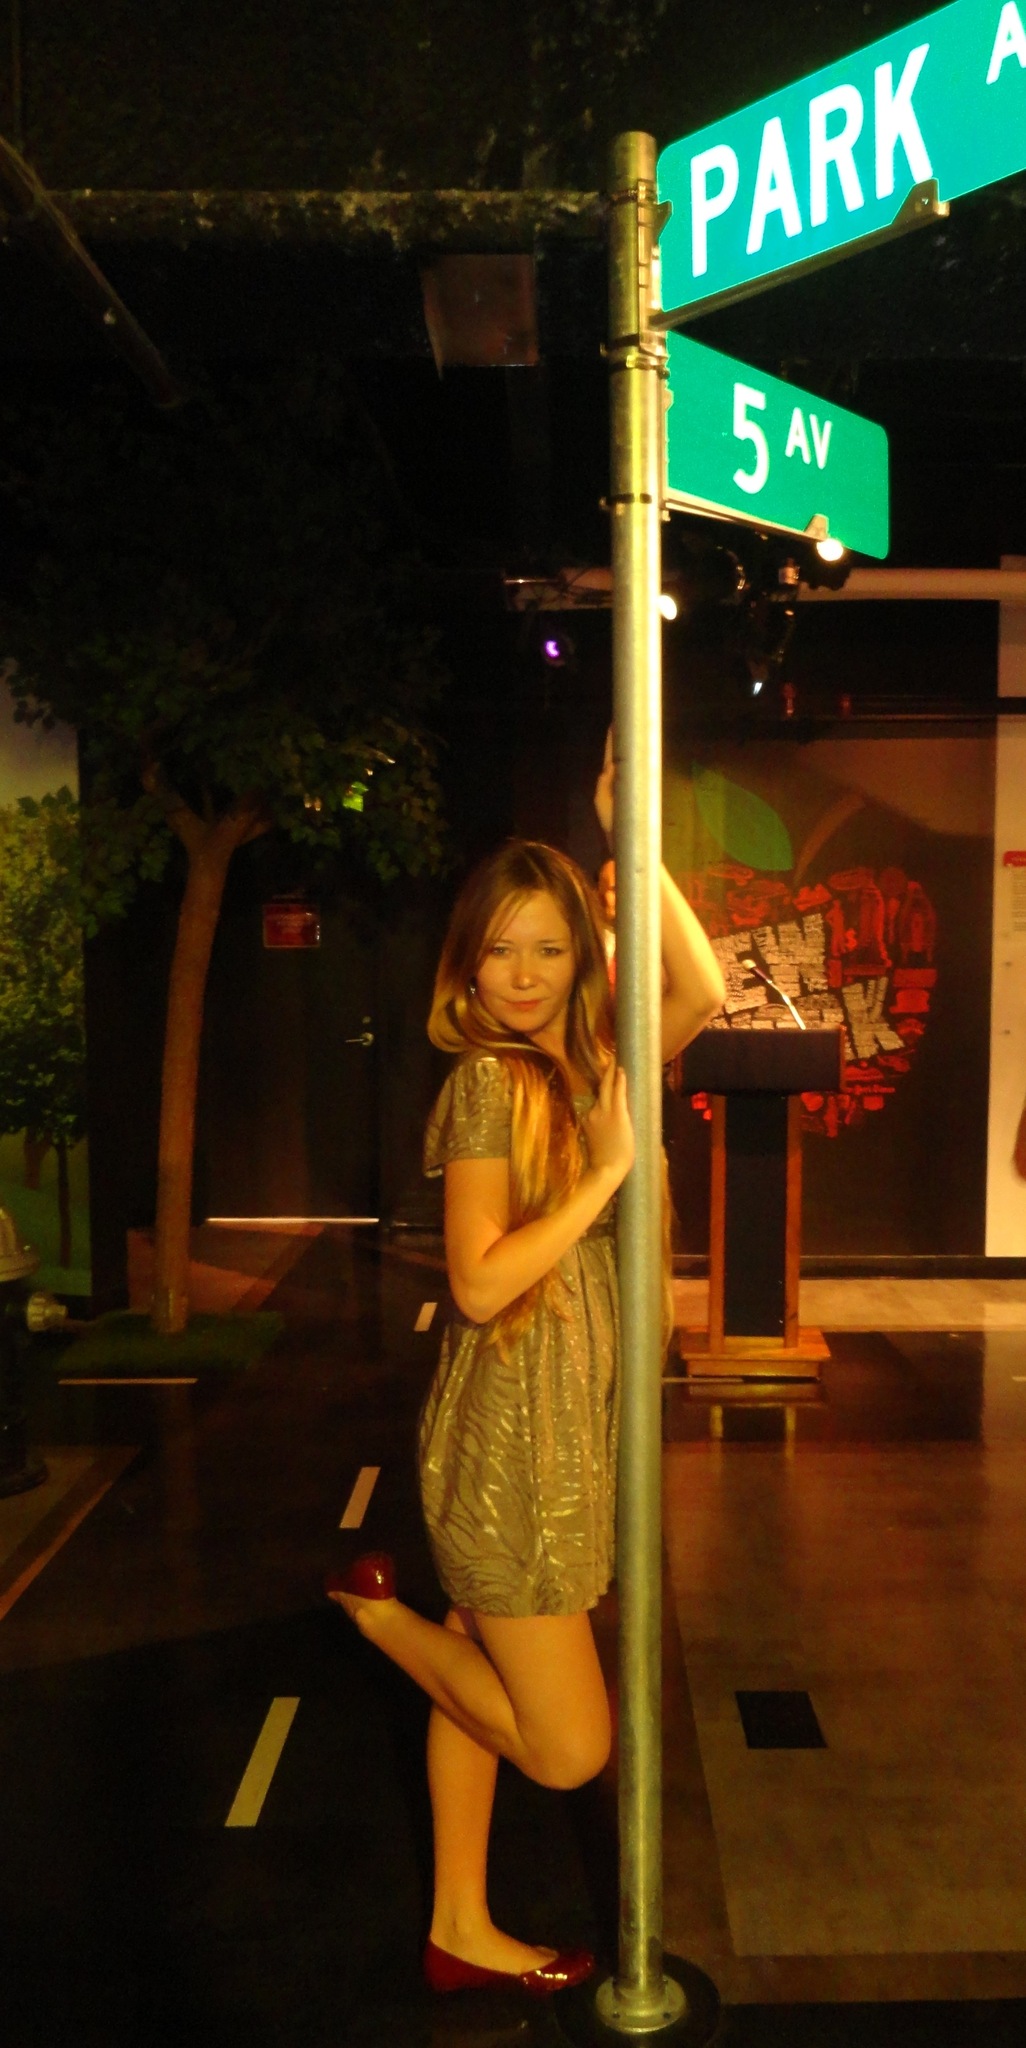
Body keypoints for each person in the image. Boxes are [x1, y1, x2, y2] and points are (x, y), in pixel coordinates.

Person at [327, 740, 726, 1997]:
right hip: (513, 1444)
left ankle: (459, 1923)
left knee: (485, 1677)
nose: (523, 973)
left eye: (550, 947)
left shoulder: (591, 1063)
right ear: (467, 962)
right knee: (568, 1747)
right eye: (500, 948)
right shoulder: (492, 1085)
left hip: (570, 1430)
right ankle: (375, 1613)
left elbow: (704, 986)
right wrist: (606, 1176)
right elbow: (482, 1282)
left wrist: (632, 834)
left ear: (583, 957)